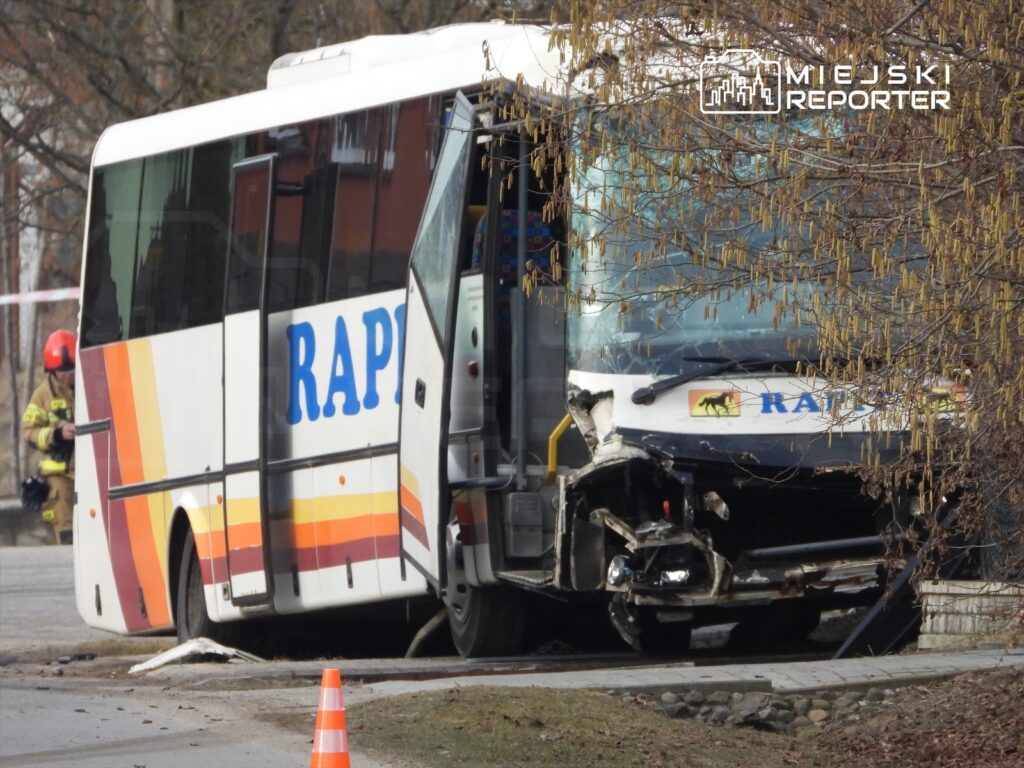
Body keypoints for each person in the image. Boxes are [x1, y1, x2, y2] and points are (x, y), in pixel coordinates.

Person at [22, 329, 77, 545]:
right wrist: (56, 434)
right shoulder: (42, 396)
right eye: (62, 372)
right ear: (51, 371)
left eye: (71, 370)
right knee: (67, 534)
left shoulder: (89, 385)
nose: (68, 375)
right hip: (58, 476)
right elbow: (29, 432)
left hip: (92, 472)